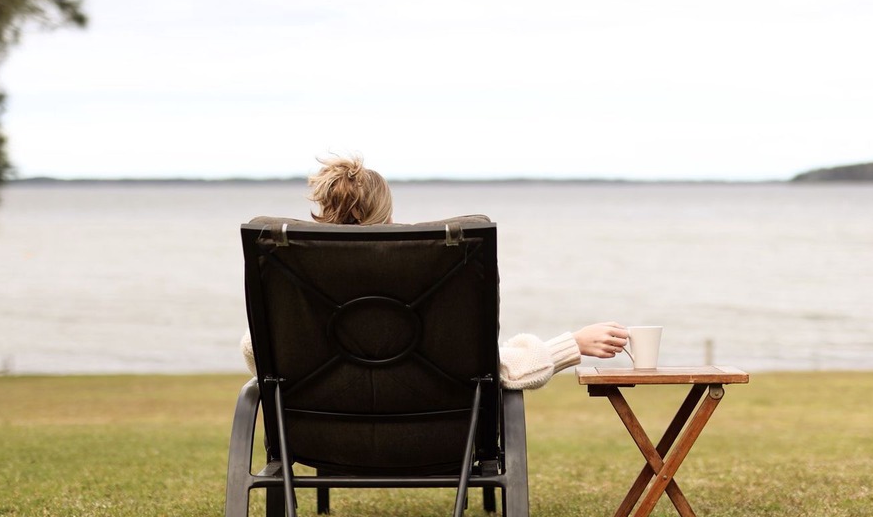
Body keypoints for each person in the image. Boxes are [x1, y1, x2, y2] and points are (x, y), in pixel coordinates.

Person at [241, 154, 629, 389]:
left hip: (323, 436)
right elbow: (497, 371)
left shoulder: (297, 278)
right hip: (439, 437)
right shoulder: (424, 271)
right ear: (385, 212)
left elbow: (253, 349)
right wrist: (573, 343)